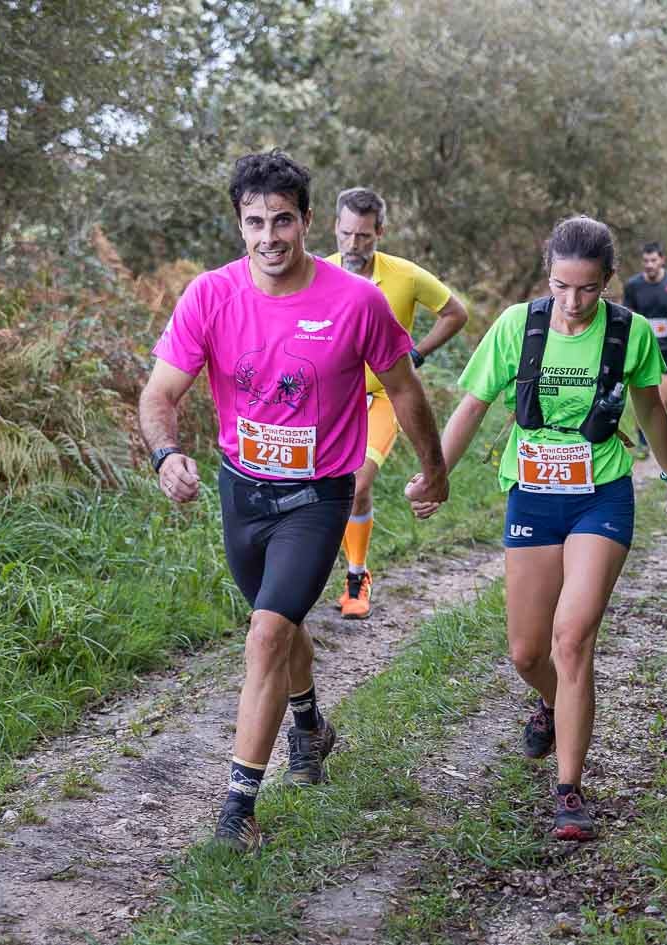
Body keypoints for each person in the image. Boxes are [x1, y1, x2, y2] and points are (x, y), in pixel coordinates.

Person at [138, 151, 449, 852]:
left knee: (266, 634)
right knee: (276, 623)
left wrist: (434, 469)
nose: (268, 236)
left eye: (282, 219)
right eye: (254, 221)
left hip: (317, 494)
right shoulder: (210, 296)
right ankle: (309, 723)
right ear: (238, 223)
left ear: (309, 220)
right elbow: (159, 392)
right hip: (240, 491)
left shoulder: (355, 301)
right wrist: (166, 454)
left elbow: (404, 391)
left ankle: (236, 808)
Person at [411, 215, 667, 841]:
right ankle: (552, 701)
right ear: (548, 278)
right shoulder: (518, 326)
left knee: (571, 641)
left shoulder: (630, 334)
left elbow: (648, 405)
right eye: (561, 287)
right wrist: (435, 475)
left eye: (587, 289)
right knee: (527, 652)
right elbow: (473, 407)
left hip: (602, 495)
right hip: (533, 496)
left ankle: (569, 792)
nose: (572, 304)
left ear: (607, 283)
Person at [325, 187, 469, 619]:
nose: (354, 245)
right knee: (325, 487)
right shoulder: (318, 273)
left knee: (358, 482)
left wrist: (417, 354)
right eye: (347, 234)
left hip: (386, 395)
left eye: (365, 236)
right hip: (332, 398)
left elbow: (456, 313)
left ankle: (356, 577)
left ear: (380, 232)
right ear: (334, 228)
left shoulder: (403, 275)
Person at [620, 242, 667, 456]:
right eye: (646, 261)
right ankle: (643, 439)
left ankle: (657, 432)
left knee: (663, 397)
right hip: (642, 347)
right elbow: (627, 316)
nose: (649, 265)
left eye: (653, 260)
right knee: (642, 394)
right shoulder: (633, 285)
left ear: (662, 260)